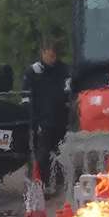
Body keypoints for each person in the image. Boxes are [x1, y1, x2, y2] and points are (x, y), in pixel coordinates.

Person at [24, 36, 70, 178]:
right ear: (42, 53)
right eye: (49, 55)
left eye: (54, 56)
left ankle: (59, 178)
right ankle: (41, 181)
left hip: (60, 119)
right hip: (42, 120)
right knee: (42, 153)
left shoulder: (64, 70)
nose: (52, 59)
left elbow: (68, 93)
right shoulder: (34, 72)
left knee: (60, 151)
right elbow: (26, 98)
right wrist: (32, 121)